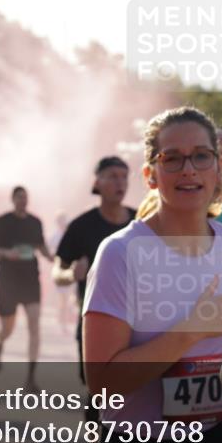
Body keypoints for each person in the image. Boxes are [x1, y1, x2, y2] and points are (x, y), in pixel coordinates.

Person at [83, 107, 222, 443]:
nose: (189, 169)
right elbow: (102, 383)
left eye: (202, 155)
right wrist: (191, 330)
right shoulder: (121, 253)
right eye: (173, 158)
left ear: (218, 168)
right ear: (150, 174)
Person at [53, 155, 136, 379]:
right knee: (98, 392)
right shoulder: (81, 226)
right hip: (95, 322)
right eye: (112, 177)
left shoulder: (142, 222)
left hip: (139, 323)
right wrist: (70, 274)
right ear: (97, 182)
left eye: (124, 177)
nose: (120, 183)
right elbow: (57, 272)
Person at [0, 186, 53, 391]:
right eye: (19, 198)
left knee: (34, 325)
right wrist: (5, 252)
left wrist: (52, 257)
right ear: (12, 199)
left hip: (30, 279)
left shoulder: (35, 222)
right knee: (8, 328)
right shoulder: (1, 223)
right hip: (8, 280)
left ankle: (31, 377)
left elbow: (41, 246)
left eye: (25, 197)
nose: (23, 201)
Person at [49, 212, 75, 332]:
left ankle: (64, 320)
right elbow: (50, 252)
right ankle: (62, 323)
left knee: (71, 298)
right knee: (63, 299)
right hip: (59, 272)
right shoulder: (55, 236)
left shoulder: (71, 235)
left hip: (71, 271)